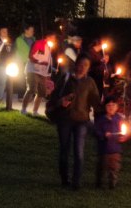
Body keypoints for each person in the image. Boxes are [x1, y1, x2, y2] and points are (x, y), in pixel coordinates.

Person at [49, 55, 101, 190]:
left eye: (86, 65)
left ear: (88, 69)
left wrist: (106, 108)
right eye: (81, 64)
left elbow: (96, 101)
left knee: (79, 152)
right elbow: (54, 96)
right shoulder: (66, 78)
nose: (82, 67)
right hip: (65, 119)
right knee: (64, 150)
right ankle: (64, 178)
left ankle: (76, 182)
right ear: (76, 64)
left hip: (82, 120)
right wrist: (62, 101)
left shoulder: (89, 82)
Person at [94, 96, 126, 189]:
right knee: (101, 166)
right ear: (105, 107)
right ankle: (99, 183)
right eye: (108, 105)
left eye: (113, 105)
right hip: (104, 149)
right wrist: (103, 135)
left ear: (117, 107)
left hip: (115, 149)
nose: (111, 107)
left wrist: (123, 138)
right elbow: (96, 131)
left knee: (114, 168)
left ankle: (112, 183)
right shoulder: (101, 120)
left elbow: (123, 132)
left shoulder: (119, 119)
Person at [21, 31, 55, 116]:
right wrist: (40, 62)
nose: (54, 40)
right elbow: (31, 56)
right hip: (33, 70)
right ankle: (23, 109)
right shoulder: (38, 43)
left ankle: (35, 111)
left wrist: (48, 75)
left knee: (42, 92)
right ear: (48, 37)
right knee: (31, 89)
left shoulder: (49, 47)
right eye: (52, 38)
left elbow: (48, 61)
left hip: (43, 73)